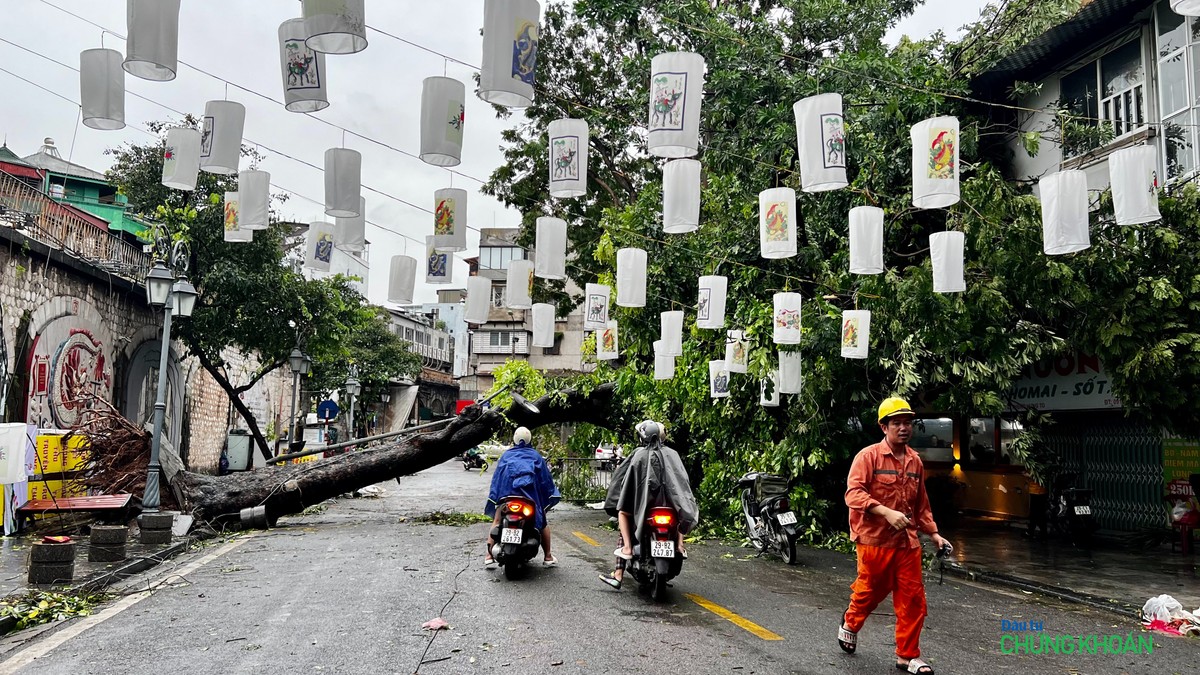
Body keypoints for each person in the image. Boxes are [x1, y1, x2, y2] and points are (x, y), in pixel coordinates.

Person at [839, 397, 952, 675]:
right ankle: (851, 622)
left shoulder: (915, 462)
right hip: (873, 539)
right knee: (869, 592)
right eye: (897, 423)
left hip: (907, 543)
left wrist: (934, 534)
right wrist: (885, 512)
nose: (903, 428)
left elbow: (920, 505)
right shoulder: (868, 457)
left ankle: (907, 655)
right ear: (884, 427)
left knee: (913, 599)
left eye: (907, 423)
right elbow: (853, 494)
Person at [599, 420, 699, 590]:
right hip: (670, 504)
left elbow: (625, 480)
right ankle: (680, 545)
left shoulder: (638, 455)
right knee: (680, 512)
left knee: (623, 512)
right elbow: (682, 482)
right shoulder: (672, 454)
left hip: (645, 507)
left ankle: (624, 557)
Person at [483, 427, 560, 568]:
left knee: (497, 520)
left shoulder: (506, 456)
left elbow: (497, 479)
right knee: (542, 522)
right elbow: (545, 480)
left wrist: (496, 496)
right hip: (530, 500)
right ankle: (548, 556)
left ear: (514, 439)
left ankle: (488, 556)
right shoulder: (536, 456)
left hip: (507, 498)